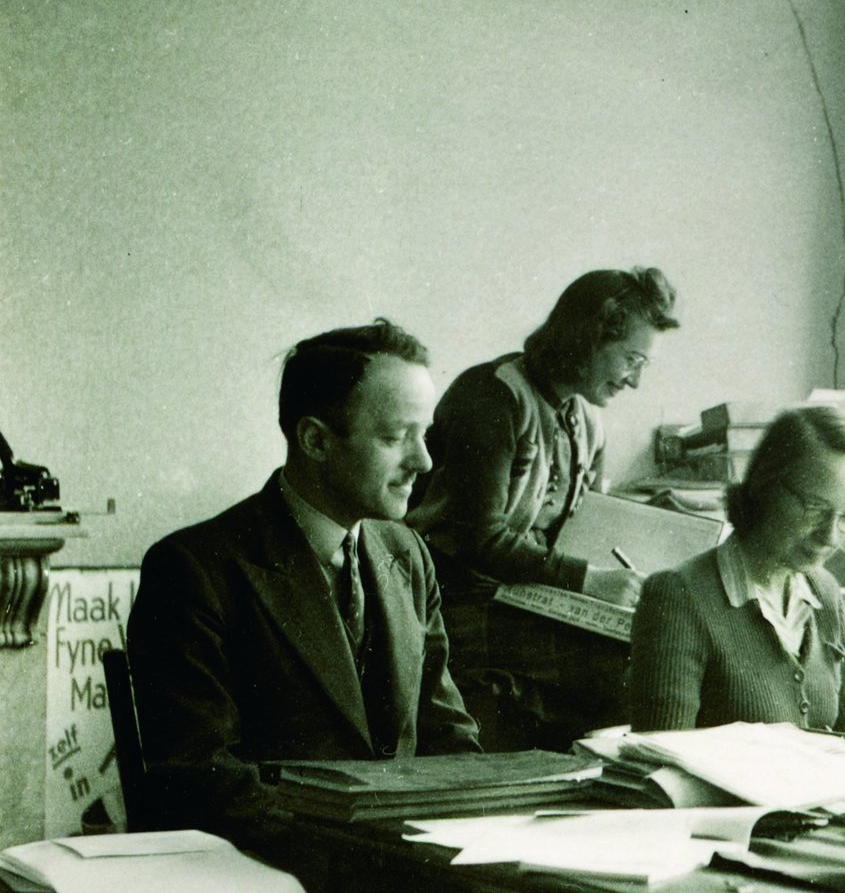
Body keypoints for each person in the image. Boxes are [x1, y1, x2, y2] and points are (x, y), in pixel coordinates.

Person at [126, 319, 480, 841]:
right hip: (273, 874)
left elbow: (446, 734)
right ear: (315, 439)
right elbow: (201, 779)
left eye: (423, 435)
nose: (423, 461)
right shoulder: (194, 569)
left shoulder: (408, 555)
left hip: (405, 867)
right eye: (394, 437)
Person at [406, 266, 679, 748]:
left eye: (645, 365)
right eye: (630, 359)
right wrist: (588, 581)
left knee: (663, 645)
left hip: (525, 596)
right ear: (588, 338)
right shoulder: (491, 398)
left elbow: (580, 526)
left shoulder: (586, 418)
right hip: (449, 598)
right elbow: (480, 540)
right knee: (627, 668)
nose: (634, 381)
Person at [628, 405, 845, 734]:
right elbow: (662, 761)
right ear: (765, 488)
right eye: (815, 508)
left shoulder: (825, 592)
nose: (831, 536)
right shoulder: (678, 597)